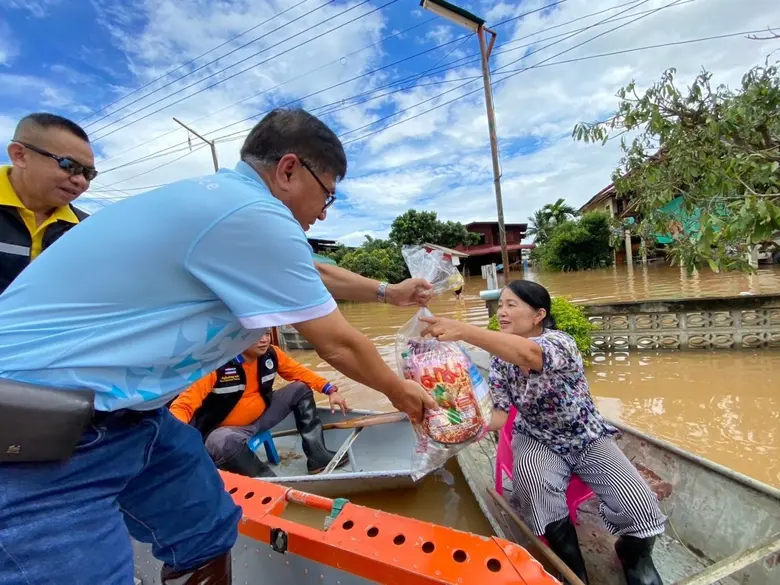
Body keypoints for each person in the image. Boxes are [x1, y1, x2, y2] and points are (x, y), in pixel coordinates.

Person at [0, 107, 436, 585]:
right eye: (327, 194)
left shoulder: (227, 206)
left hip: (131, 415)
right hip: (40, 423)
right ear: (289, 169)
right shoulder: (253, 214)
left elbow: (313, 272)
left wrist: (385, 293)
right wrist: (401, 392)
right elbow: (339, 344)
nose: (323, 211)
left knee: (207, 529)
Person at [419, 280, 666, 585]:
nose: (503, 312)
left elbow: (529, 355)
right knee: (536, 490)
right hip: (536, 438)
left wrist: (464, 331)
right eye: (501, 305)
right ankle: (573, 570)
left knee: (641, 507)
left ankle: (633, 554)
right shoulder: (499, 361)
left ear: (538, 315)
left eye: (512, 305)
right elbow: (498, 414)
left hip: (585, 435)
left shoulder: (560, 343)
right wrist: (457, 423)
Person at [170, 332, 350, 476]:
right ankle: (269, 481)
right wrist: (171, 435)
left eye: (266, 333)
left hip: (262, 416)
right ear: (239, 335)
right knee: (222, 442)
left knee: (300, 389)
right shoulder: (217, 365)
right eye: (255, 335)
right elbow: (184, 405)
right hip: (226, 430)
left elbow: (299, 372)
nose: (263, 340)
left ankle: (318, 457)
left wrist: (330, 390)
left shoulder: (272, 354)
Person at [0, 113, 95, 293]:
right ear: (20, 155)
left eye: (88, 174)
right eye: (69, 165)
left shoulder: (86, 230)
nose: (81, 181)